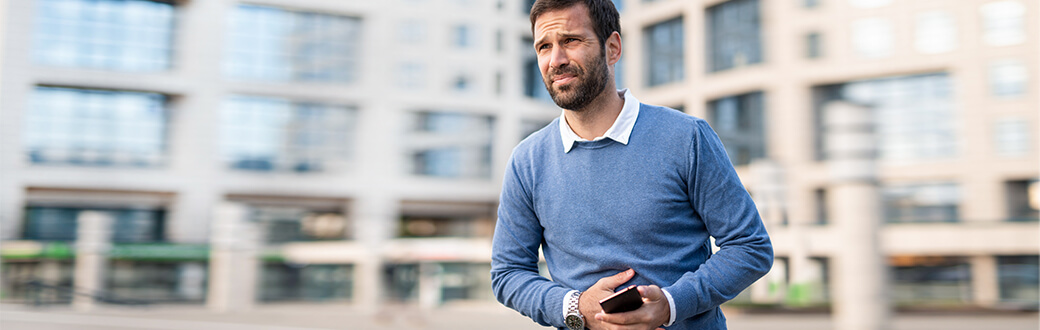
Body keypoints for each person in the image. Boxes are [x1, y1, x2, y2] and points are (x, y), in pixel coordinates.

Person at [490, 0, 773, 329]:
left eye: (571, 41)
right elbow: (507, 273)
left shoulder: (687, 138)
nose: (556, 60)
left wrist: (670, 305)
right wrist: (576, 307)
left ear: (612, 48)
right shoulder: (527, 161)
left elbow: (750, 246)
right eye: (544, 46)